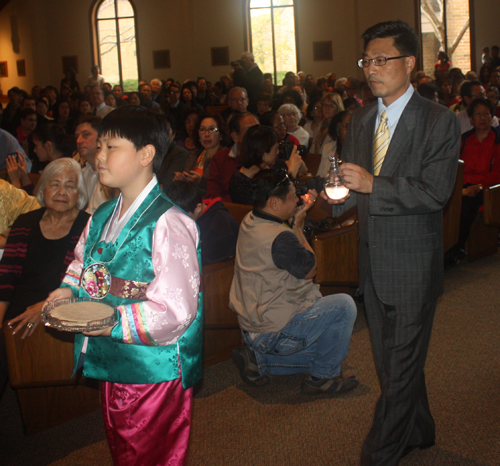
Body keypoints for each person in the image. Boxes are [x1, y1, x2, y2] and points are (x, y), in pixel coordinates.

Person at [9, 105, 202, 464]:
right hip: (113, 357)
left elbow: (177, 311)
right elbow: (83, 263)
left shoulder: (169, 224)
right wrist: (66, 291)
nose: (100, 156)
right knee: (122, 443)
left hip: (151, 368)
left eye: (111, 147)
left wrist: (111, 322)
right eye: (100, 147)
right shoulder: (101, 215)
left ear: (145, 154)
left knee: (149, 452)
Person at [322, 21, 460, 464]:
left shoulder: (438, 120)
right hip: (372, 264)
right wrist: (330, 198)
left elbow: (434, 192)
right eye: (367, 61)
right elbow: (353, 188)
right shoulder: (361, 118)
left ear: (410, 63)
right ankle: (420, 429)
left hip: (413, 266)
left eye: (382, 60)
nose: (372, 69)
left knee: (398, 373)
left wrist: (372, 184)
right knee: (392, 366)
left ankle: (378, 454)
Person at [229, 168, 358, 394]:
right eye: (292, 197)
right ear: (274, 203)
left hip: (253, 325)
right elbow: (310, 269)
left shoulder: (251, 219)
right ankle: (322, 379)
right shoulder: (280, 238)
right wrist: (297, 226)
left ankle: (259, 360)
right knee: (344, 307)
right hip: (273, 328)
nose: (298, 200)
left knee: (329, 347)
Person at [1, 158, 89, 393]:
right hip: (17, 308)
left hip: (62, 312)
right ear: (42, 189)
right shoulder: (25, 222)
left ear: (79, 193)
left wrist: (45, 308)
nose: (62, 192)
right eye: (54, 184)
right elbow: (6, 277)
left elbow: (87, 283)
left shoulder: (88, 226)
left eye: (70, 185)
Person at [445, 98, 500, 266]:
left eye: (486, 114)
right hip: (461, 185)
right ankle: (442, 248)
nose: (482, 117)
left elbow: (497, 173)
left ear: (492, 117)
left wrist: (479, 187)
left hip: (487, 188)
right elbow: (453, 167)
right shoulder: (464, 140)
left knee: (464, 207)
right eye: (478, 114)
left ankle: (455, 249)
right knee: (443, 205)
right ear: (471, 119)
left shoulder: (497, 141)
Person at [165, 180, 239, 265]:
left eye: (182, 218)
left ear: (198, 208)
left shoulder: (222, 225)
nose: (176, 222)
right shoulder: (190, 209)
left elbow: (209, 263)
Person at [205, 112, 259, 201]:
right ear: (235, 136)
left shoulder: (267, 156)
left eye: (258, 129)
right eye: (250, 130)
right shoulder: (220, 159)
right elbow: (213, 194)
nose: (256, 134)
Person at [74, 116, 116, 213]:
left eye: (85, 135)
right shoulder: (81, 174)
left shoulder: (114, 173)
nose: (78, 141)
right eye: (77, 137)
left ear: (102, 136)